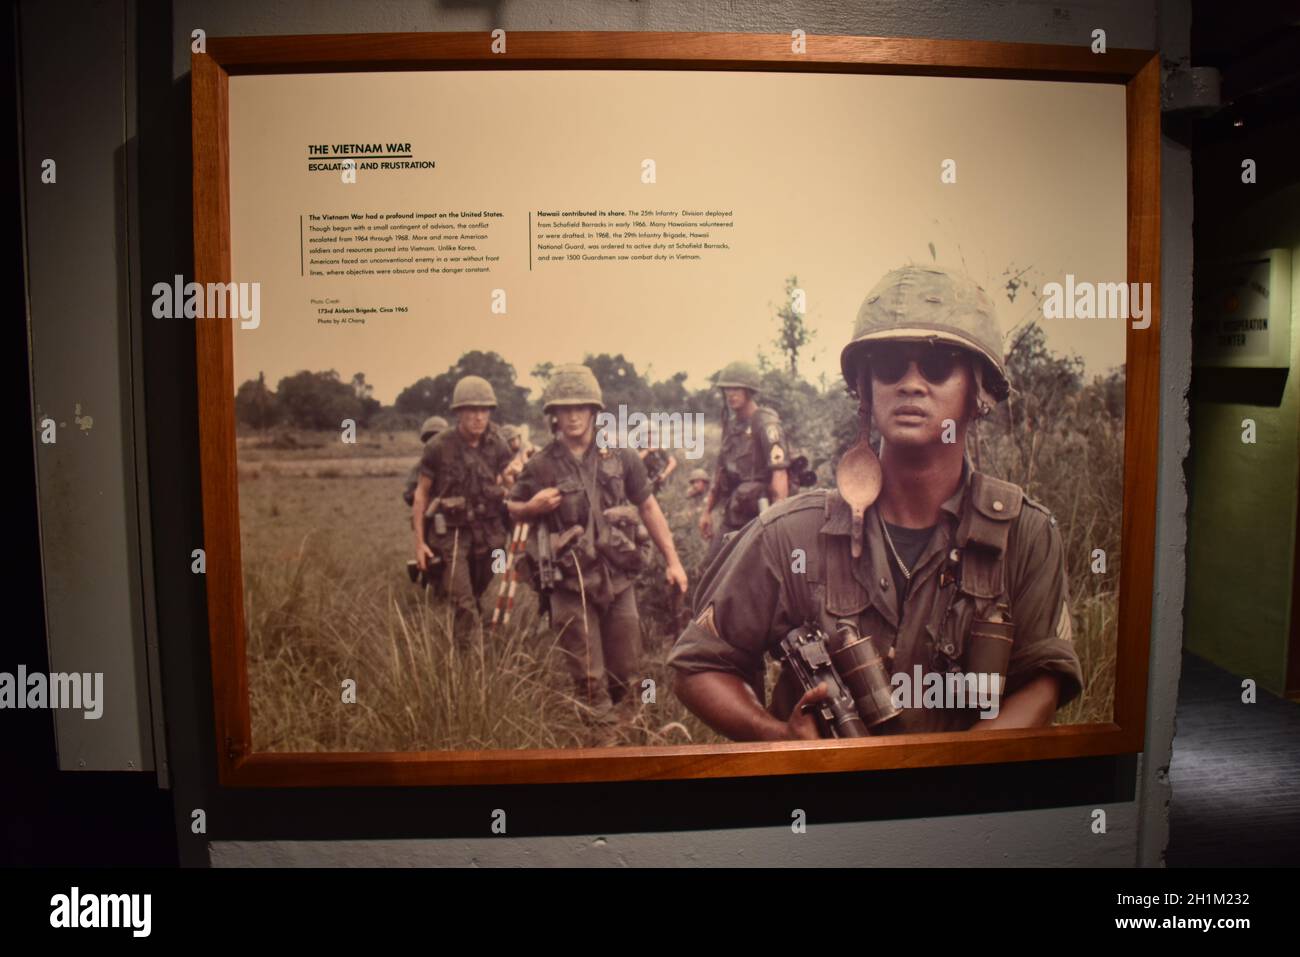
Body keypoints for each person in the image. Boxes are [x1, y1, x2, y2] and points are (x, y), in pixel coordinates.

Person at [669, 265, 1084, 741]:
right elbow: (699, 663)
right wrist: (779, 739)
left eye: (937, 365)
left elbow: (1042, 682)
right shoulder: (790, 535)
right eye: (889, 365)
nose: (910, 383)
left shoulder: (1025, 535)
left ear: (979, 391)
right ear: (865, 388)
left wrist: (947, 779)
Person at [508, 364, 688, 724]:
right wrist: (532, 507)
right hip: (569, 583)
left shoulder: (622, 457)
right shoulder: (541, 465)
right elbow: (511, 509)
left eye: (580, 407)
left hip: (617, 578)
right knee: (589, 677)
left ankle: (628, 733)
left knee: (626, 670)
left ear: (594, 411)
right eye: (564, 408)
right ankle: (601, 739)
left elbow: (648, 507)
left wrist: (673, 561)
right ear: (554, 415)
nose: (573, 416)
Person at [412, 376, 513, 635]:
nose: (479, 417)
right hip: (453, 534)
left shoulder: (499, 445)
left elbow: (511, 483)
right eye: (472, 410)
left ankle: (471, 632)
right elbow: (421, 495)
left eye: (484, 410)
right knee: (463, 602)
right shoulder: (438, 447)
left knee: (477, 592)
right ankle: (468, 661)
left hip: (490, 534)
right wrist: (420, 543)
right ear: (459, 412)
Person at [699, 361, 789, 567]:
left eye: (736, 388)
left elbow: (780, 473)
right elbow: (720, 473)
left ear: (749, 390)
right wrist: (707, 511)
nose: (731, 394)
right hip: (736, 513)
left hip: (762, 513)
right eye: (727, 389)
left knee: (757, 576)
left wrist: (775, 522)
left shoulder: (766, 423)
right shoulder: (731, 427)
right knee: (710, 569)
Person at [402, 415, 448, 508]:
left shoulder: (456, 462)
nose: (435, 442)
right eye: (431, 438)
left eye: (439, 438)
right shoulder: (420, 466)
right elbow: (408, 496)